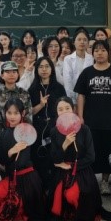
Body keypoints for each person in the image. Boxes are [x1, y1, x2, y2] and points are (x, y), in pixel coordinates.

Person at [51, 97, 111, 221]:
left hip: (81, 171)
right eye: (60, 109)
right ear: (56, 112)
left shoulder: (84, 129)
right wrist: (65, 145)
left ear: (73, 109)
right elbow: (55, 158)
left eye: (67, 108)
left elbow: (91, 157)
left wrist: (74, 167)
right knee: (57, 202)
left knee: (75, 196)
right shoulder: (54, 131)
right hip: (63, 171)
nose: (64, 112)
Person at [0, 99, 56, 221]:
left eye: (16, 113)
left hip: (28, 179)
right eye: (9, 113)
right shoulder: (3, 133)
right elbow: (1, 160)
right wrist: (11, 152)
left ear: (22, 113)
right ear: (5, 113)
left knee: (20, 204)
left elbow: (25, 161)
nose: (12, 116)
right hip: (12, 178)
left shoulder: (28, 131)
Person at [74, 39, 111, 195]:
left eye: (103, 50)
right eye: (96, 50)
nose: (100, 53)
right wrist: (80, 116)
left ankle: (105, 182)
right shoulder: (87, 72)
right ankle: (90, 181)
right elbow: (81, 95)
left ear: (108, 52)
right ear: (92, 53)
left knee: (107, 151)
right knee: (91, 152)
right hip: (91, 120)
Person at [28, 56, 66, 194]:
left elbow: (65, 110)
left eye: (47, 66)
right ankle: (41, 189)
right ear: (37, 70)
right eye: (41, 67)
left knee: (54, 158)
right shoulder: (32, 89)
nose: (44, 70)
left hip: (55, 128)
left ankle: (54, 189)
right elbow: (29, 112)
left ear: (52, 69)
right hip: (37, 128)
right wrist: (41, 105)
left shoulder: (59, 88)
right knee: (39, 160)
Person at [0, 61, 33, 158]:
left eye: (14, 72)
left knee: (21, 163)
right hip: (2, 137)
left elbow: (28, 116)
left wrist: (24, 136)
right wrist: (3, 137)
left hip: (22, 137)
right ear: (2, 75)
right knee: (3, 163)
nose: (11, 74)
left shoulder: (24, 93)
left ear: (18, 74)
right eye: (7, 72)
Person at [62, 29, 93, 103]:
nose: (82, 42)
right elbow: (68, 81)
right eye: (79, 39)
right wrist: (72, 101)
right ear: (74, 42)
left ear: (88, 43)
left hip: (90, 97)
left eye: (85, 40)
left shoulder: (92, 59)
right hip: (73, 97)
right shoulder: (68, 59)